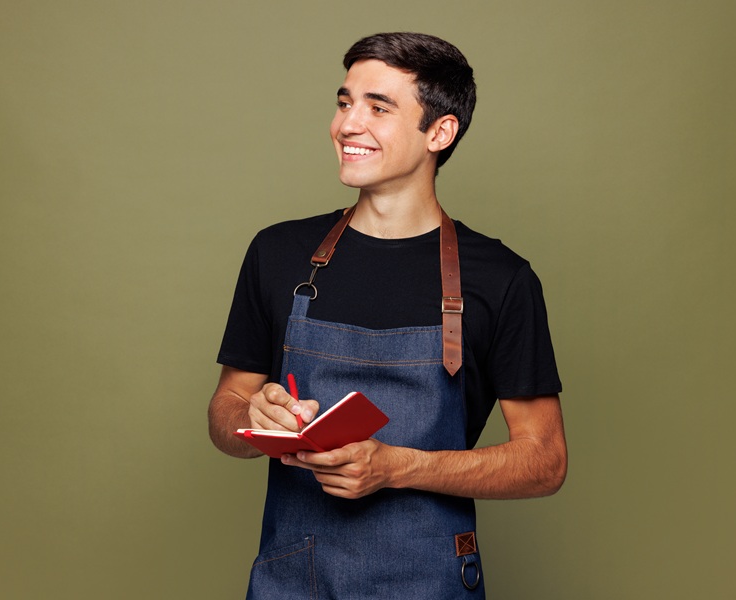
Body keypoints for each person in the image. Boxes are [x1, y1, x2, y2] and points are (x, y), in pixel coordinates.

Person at [208, 32, 567, 599]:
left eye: (379, 107)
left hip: (430, 582)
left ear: (439, 132)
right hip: (291, 579)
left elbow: (544, 461)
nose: (348, 124)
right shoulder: (277, 254)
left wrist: (399, 467)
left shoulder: (501, 279)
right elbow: (225, 416)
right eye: (345, 102)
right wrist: (254, 419)